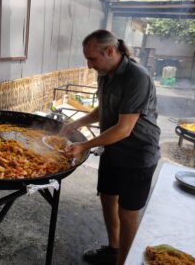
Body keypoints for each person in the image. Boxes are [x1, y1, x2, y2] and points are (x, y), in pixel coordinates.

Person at [60, 30, 161, 265]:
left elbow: (124, 128)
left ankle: (123, 262)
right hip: (112, 149)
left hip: (138, 154)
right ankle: (113, 249)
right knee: (107, 198)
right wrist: (77, 122)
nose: (88, 65)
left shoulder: (138, 77)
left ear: (109, 51)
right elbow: (103, 110)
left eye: (91, 59)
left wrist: (84, 144)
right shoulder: (104, 73)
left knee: (127, 213)